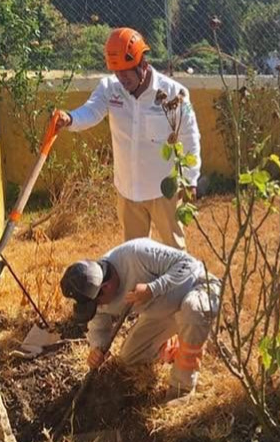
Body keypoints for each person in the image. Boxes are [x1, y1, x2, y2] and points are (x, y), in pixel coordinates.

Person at [56, 28, 201, 250]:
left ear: (142, 65)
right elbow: (91, 111)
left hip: (165, 191)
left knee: (175, 253)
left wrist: (190, 180)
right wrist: (70, 118)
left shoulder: (174, 93)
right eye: (117, 72)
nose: (121, 79)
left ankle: (180, 286)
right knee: (134, 255)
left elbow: (190, 137)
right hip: (128, 191)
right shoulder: (109, 89)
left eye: (126, 72)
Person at [60, 238, 221, 402]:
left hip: (199, 287)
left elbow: (189, 265)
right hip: (165, 312)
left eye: (97, 303)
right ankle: (172, 344)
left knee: (192, 308)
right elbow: (98, 325)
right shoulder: (95, 293)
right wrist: (97, 347)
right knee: (129, 357)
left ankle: (183, 388)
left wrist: (153, 289)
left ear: (105, 287)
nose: (98, 307)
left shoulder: (136, 253)